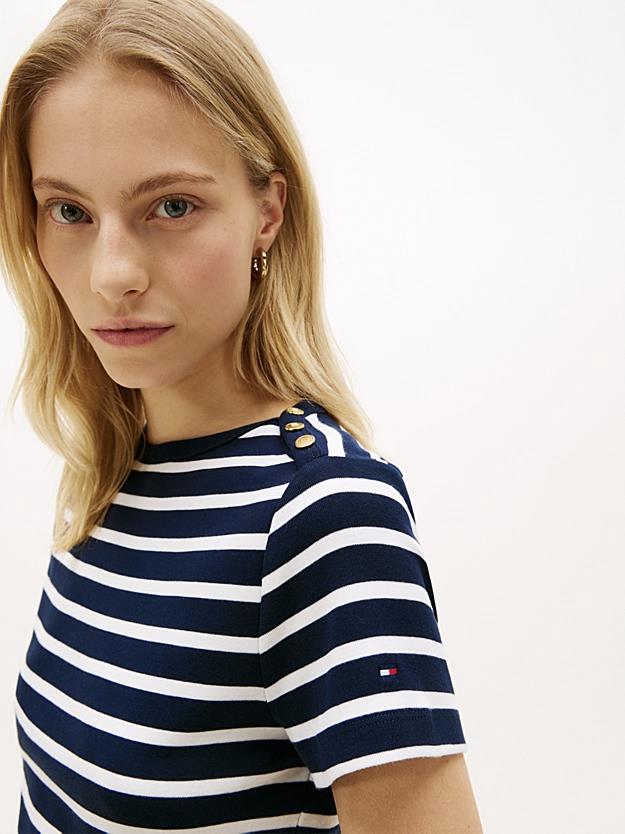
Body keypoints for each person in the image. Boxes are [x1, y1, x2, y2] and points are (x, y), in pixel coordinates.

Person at [0, 0, 483, 831]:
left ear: (267, 211)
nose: (112, 274)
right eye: (69, 211)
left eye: (172, 206)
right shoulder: (117, 470)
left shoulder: (321, 514)